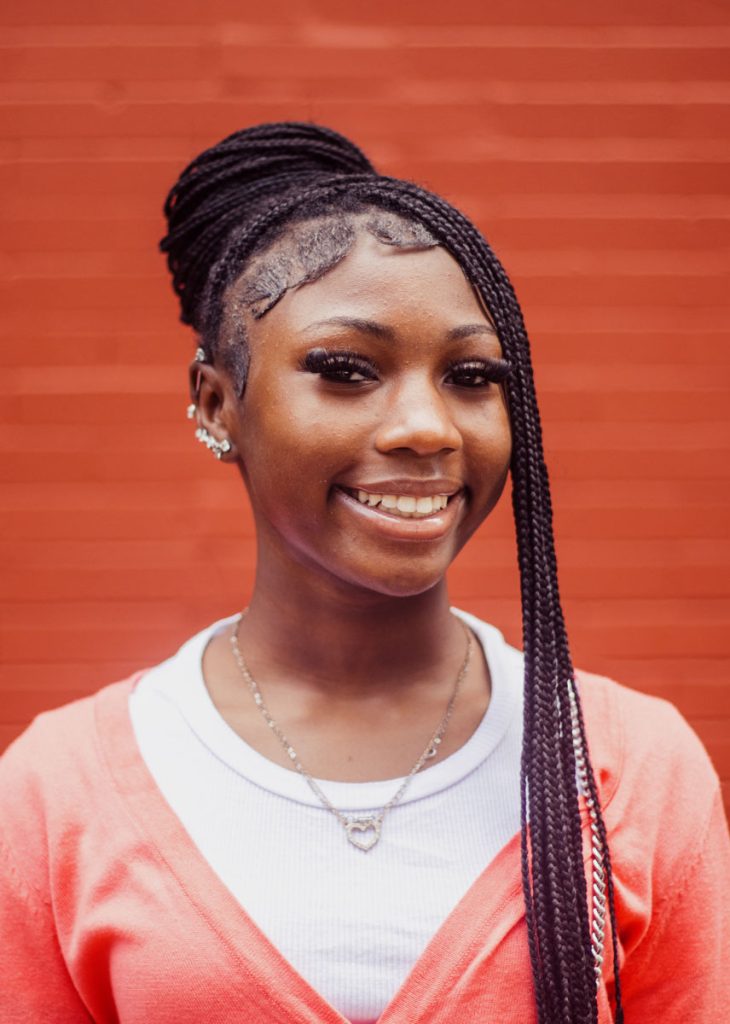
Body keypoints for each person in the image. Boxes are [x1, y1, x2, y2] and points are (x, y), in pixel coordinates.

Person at [1, 122, 728, 1024]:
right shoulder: (58, 792)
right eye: (346, 370)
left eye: (471, 375)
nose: (428, 427)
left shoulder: (631, 771)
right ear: (216, 403)